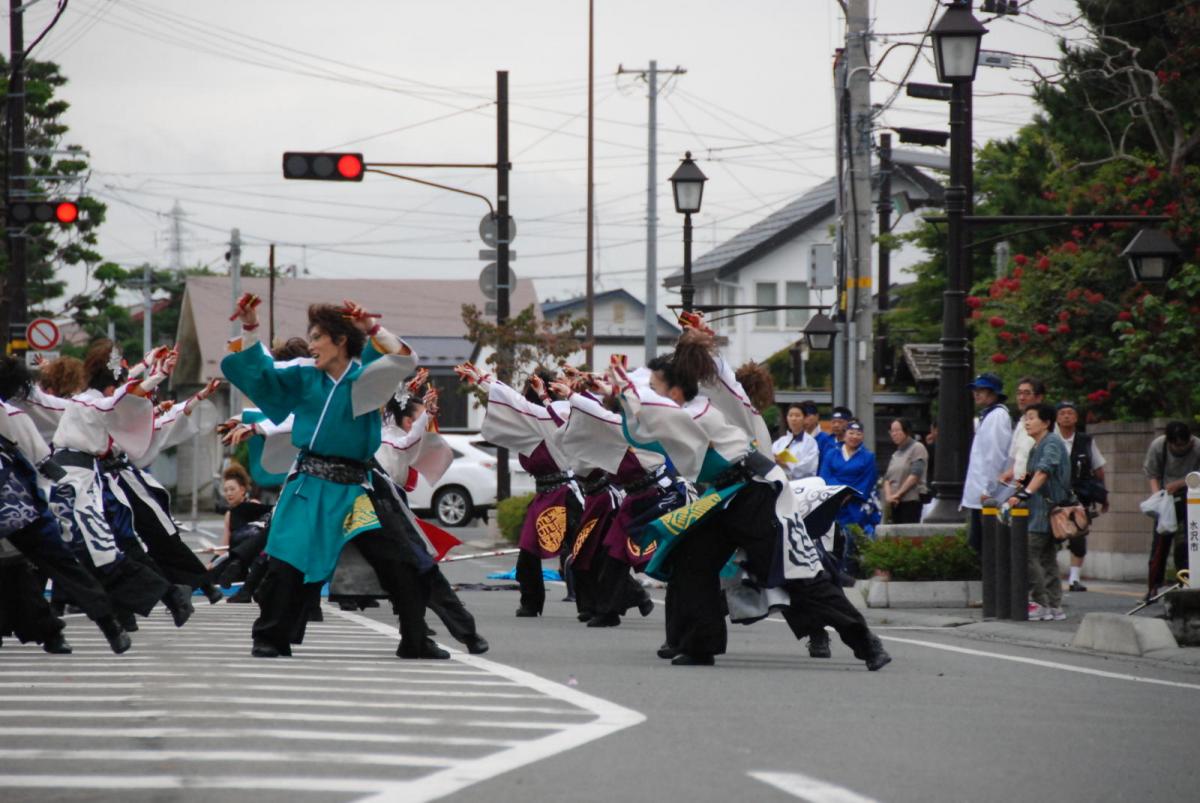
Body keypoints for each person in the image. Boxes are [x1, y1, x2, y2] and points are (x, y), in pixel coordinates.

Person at [617, 325, 890, 671]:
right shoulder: (684, 408)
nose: (651, 391)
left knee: (798, 574)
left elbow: (669, 396)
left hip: (756, 494)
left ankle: (865, 641)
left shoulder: (701, 409)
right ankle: (699, 644)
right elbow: (646, 415)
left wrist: (629, 384)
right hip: (723, 497)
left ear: (673, 389)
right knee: (692, 560)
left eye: (656, 386)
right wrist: (627, 384)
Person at [222, 295, 441, 659]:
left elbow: (406, 359)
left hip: (355, 491)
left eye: (318, 336)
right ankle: (270, 637)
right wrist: (250, 326)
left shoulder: (364, 375)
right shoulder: (305, 374)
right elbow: (261, 370)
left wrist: (371, 327)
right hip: (310, 485)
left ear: (340, 340)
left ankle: (415, 639)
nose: (311, 345)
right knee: (286, 559)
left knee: (399, 561)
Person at [1012, 403, 1070, 621]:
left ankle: (1040, 602)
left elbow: (1044, 471)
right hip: (1040, 509)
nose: (1027, 422)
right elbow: (1030, 475)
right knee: (1047, 558)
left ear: (1046, 422)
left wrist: (1025, 493)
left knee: (1028, 553)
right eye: (1025, 418)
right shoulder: (1038, 445)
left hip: (1045, 510)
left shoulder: (1051, 442)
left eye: (1031, 417)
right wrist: (1017, 491)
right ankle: (1054, 606)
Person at [1142, 421, 1200, 601]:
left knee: (1189, 543)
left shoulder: (1198, 447)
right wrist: (1157, 498)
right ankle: (1153, 587)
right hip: (1166, 498)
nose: (1182, 448)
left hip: (1192, 497)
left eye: (1185, 444)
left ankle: (1186, 581)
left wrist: (1180, 483)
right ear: (1170, 442)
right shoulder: (1159, 446)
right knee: (1160, 544)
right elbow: (1152, 473)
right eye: (1177, 445)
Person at [1054, 401, 1107, 592]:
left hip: (1080, 496)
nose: (1066, 416)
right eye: (1062, 413)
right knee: (1053, 537)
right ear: (1057, 418)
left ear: (1076, 418)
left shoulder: (1086, 441)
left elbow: (1098, 468)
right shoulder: (1051, 440)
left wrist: (1102, 495)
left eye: (1070, 413)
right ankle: (1052, 577)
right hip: (1055, 496)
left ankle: (1074, 579)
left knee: (1079, 537)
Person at [962, 373, 1013, 552]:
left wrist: (989, 489)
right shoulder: (988, 416)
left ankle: (994, 580)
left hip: (989, 494)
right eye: (975, 390)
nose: (976, 394)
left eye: (981, 390)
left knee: (988, 546)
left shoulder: (998, 416)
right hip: (981, 493)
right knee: (979, 544)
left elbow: (995, 456)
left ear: (993, 393)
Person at [999, 377, 1045, 488]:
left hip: (1039, 490)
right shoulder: (1021, 423)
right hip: (1021, 488)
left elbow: (1046, 466)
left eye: (1026, 393)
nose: (1021, 398)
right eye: (1019, 393)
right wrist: (1010, 472)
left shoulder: (1046, 424)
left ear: (1039, 397)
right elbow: (1019, 458)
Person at [882, 418, 928, 524]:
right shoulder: (895, 454)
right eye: (892, 431)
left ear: (906, 431)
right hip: (894, 503)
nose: (894, 434)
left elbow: (915, 474)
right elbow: (886, 478)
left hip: (911, 500)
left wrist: (898, 494)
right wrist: (889, 496)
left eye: (897, 430)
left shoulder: (917, 448)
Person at [772, 403, 821, 480]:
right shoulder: (780, 442)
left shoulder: (811, 442)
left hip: (802, 484)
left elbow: (809, 466)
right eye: (790, 415)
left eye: (797, 416)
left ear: (804, 418)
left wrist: (786, 464)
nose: (793, 419)